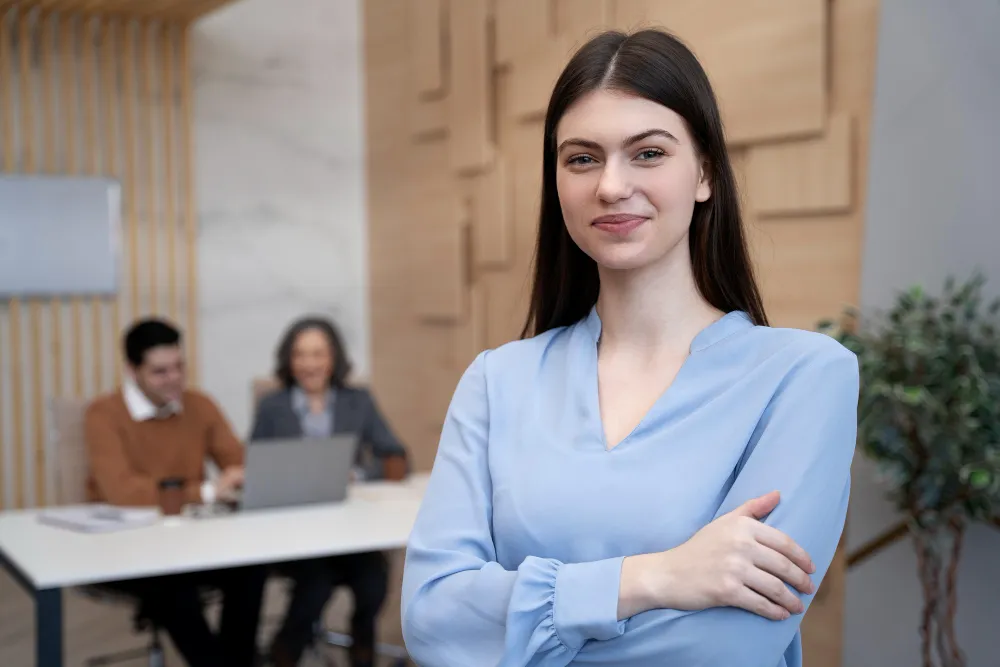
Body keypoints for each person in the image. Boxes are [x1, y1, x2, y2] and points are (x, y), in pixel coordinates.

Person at [400, 28, 859, 667]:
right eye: (582, 158)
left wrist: (521, 627)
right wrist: (653, 578)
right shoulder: (496, 381)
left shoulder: (804, 377)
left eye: (647, 153)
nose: (611, 186)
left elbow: (722, 648)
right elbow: (430, 619)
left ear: (704, 173)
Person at [85, 318, 266, 667]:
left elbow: (238, 461)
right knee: (172, 585)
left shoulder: (199, 405)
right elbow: (123, 491)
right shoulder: (103, 415)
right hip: (127, 547)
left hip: (190, 539)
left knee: (251, 567)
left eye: (179, 367)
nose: (174, 379)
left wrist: (239, 476)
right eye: (160, 371)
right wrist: (207, 491)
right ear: (132, 370)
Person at [249, 316, 409, 667]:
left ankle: (362, 643)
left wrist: (357, 474)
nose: (309, 364)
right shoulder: (272, 407)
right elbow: (256, 468)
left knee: (373, 580)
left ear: (333, 357)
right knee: (315, 583)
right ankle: (285, 649)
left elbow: (397, 457)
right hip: (293, 532)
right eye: (300, 355)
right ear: (288, 361)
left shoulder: (358, 401)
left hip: (348, 527)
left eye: (318, 354)